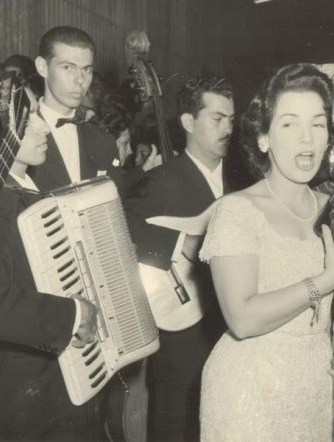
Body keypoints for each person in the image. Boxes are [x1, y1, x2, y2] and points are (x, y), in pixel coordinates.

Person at [198, 63, 334, 440]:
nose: (307, 139)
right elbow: (242, 319)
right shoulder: (237, 210)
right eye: (289, 124)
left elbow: (323, 313)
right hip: (249, 392)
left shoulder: (332, 208)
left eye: (317, 124)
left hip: (313, 388)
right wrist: (328, 279)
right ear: (263, 139)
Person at [0, 70, 101, 441]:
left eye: (38, 113)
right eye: (28, 119)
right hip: (22, 401)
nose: (42, 127)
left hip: (53, 389)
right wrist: (71, 314)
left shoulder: (24, 188)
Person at [124, 74, 234, 441]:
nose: (227, 128)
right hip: (181, 337)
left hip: (229, 335)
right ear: (188, 122)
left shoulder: (243, 182)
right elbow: (119, 226)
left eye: (231, 119)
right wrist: (179, 242)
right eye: (217, 118)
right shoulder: (162, 180)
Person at [29, 26, 118, 192]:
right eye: (68, 67)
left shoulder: (104, 142)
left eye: (87, 69)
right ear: (42, 67)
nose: (80, 80)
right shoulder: (18, 140)